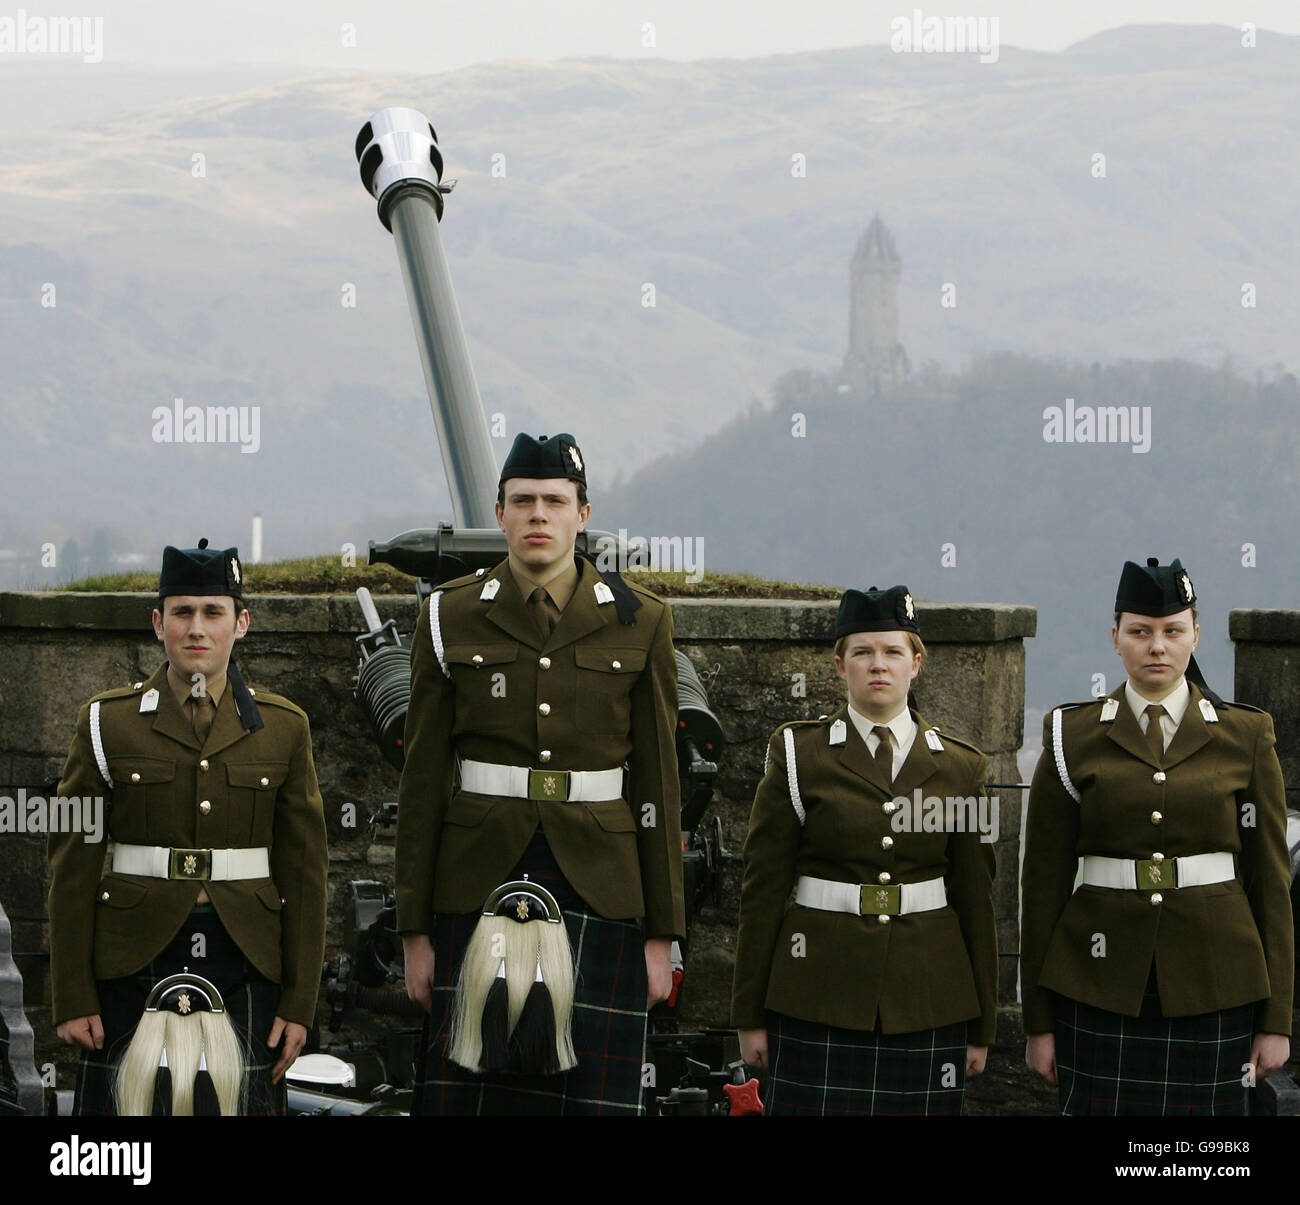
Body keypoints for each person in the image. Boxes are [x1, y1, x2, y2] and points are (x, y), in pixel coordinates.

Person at [397, 431, 685, 1115]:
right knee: (471, 1099)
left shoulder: (641, 620)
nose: (538, 514)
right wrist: (414, 931)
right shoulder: (447, 615)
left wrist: (661, 936)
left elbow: (658, 788)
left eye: (555, 500)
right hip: (473, 883)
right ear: (498, 513)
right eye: (522, 500)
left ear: (583, 514)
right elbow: (421, 783)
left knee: (590, 1100)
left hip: (603, 888)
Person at [47, 540, 329, 1115]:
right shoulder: (106, 723)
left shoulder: (283, 728)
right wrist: (72, 994)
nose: (196, 628)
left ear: (240, 623)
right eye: (182, 612)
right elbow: (70, 867)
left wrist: (300, 1002)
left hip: (246, 960)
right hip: (129, 960)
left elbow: (305, 875)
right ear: (158, 623)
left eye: (213, 612)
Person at [1021, 556, 1292, 1115]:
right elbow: (1042, 889)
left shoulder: (1245, 735)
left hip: (1218, 987)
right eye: (1140, 632)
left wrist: (1276, 1021)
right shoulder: (1069, 736)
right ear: (1115, 637)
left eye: (1172, 632)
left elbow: (1270, 884)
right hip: (1096, 987)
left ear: (1195, 634)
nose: (1156, 647)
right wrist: (1039, 1025)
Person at [731, 585, 998, 1115]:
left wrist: (983, 1024)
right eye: (863, 652)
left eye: (893, 651)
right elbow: (762, 891)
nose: (879, 665)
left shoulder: (964, 769)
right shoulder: (797, 756)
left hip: (929, 1002)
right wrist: (749, 1016)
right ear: (839, 664)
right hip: (816, 997)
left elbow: (976, 901)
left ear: (916, 663)